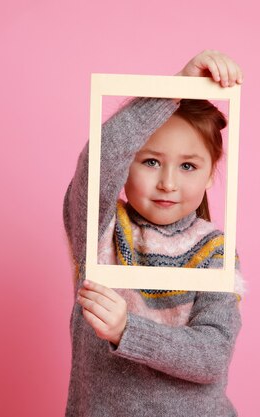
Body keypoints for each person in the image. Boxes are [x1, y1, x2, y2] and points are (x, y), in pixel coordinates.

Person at [63, 50, 245, 416]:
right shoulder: (100, 230)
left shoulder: (215, 251)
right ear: (125, 165)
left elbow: (211, 356)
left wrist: (126, 330)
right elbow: (99, 158)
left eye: (188, 166)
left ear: (210, 174)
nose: (167, 183)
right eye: (150, 162)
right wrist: (171, 89)